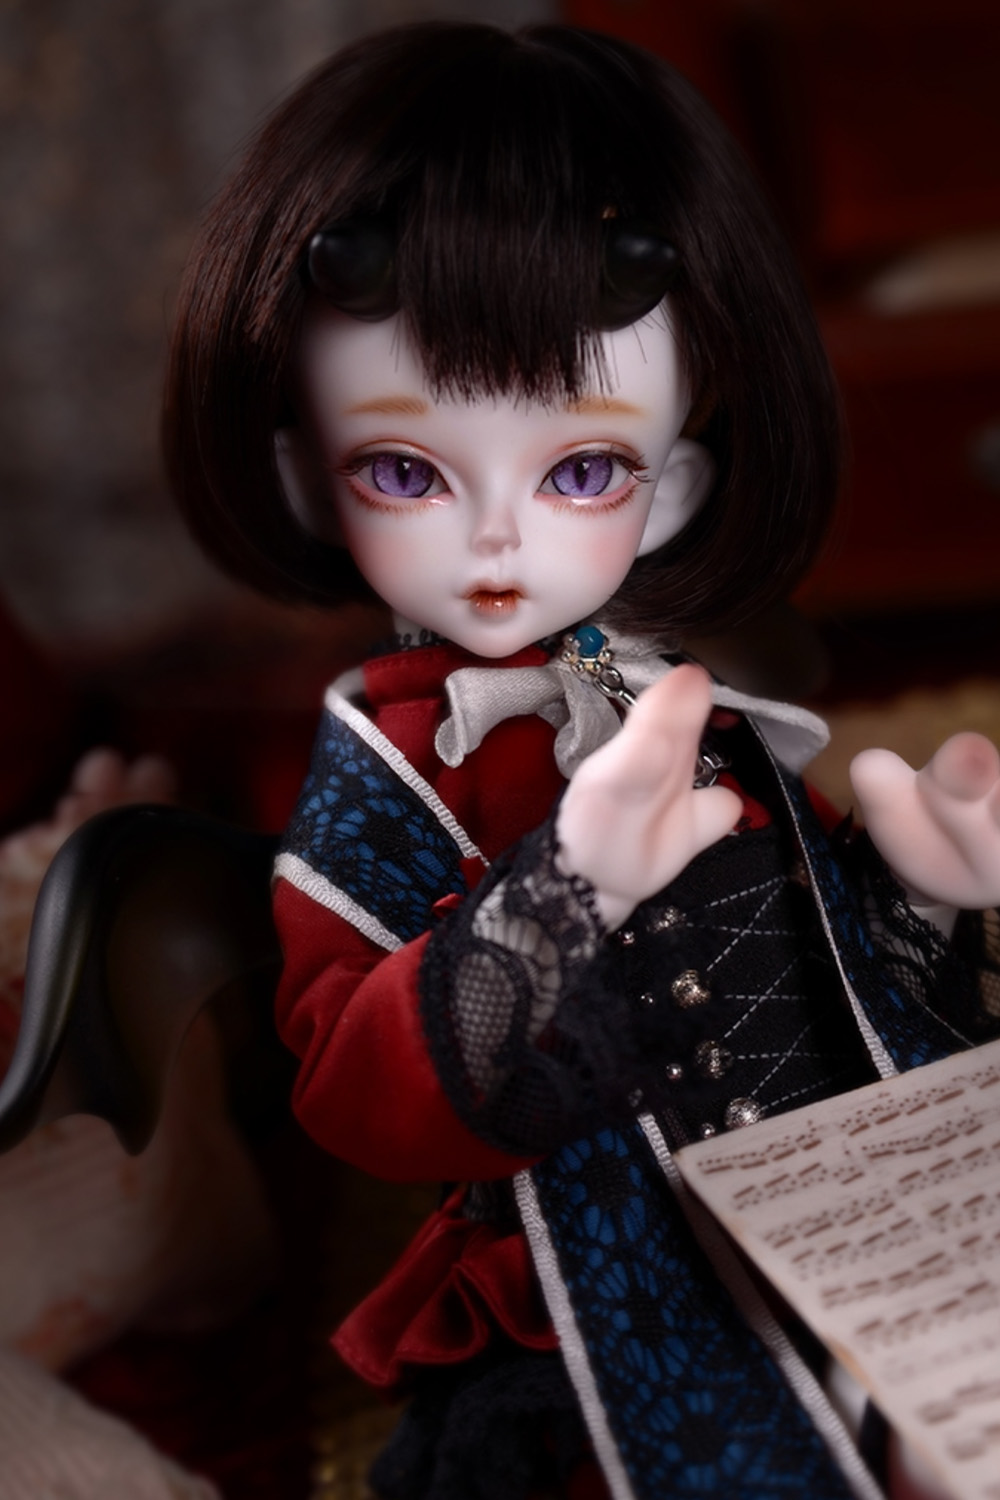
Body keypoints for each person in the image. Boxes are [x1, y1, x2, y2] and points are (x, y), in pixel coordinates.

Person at [163, 23, 1000, 1500]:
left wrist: (921, 889)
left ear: (670, 487)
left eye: (581, 471)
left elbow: (803, 970)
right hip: (614, 1266)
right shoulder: (385, 774)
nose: (497, 539)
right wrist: (560, 896)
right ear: (308, 481)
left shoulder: (672, 693)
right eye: (405, 471)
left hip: (836, 1200)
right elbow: (354, 1090)